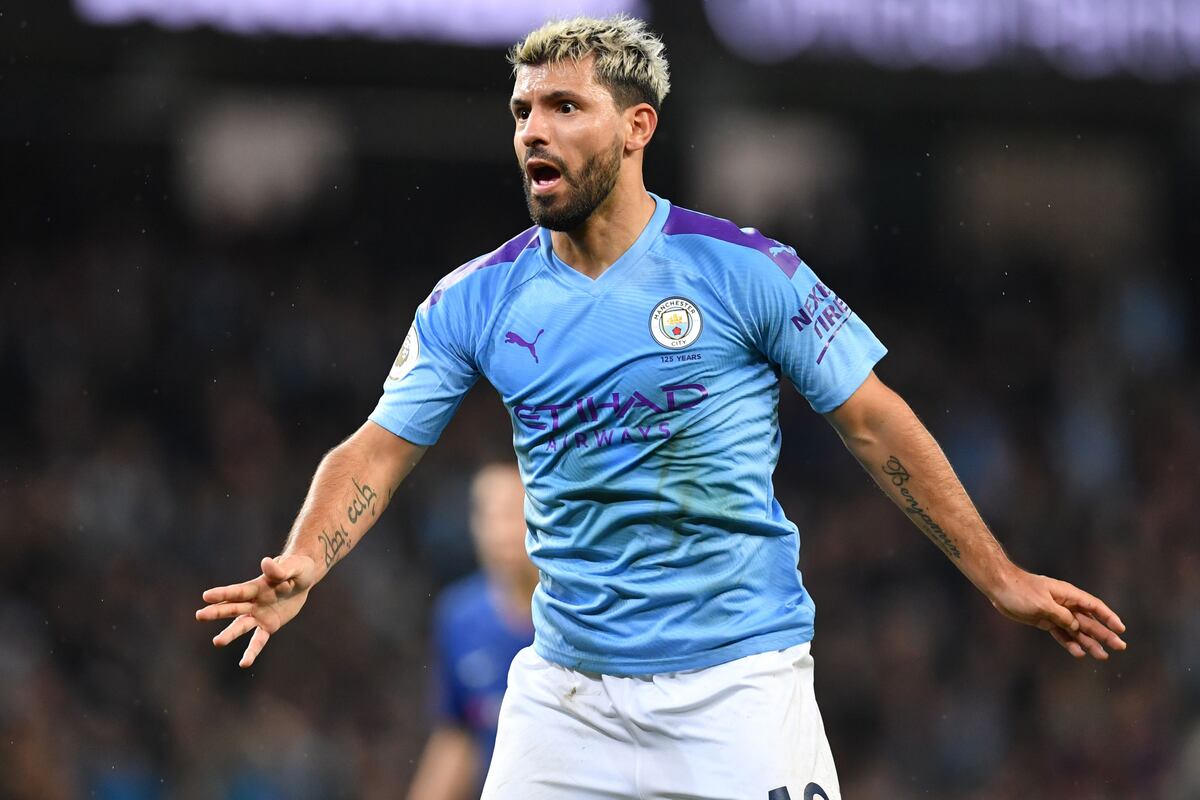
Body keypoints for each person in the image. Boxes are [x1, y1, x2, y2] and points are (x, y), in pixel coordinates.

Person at [197, 15, 1127, 799]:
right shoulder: (474, 299)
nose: (533, 131)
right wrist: (309, 557)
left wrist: (998, 577)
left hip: (738, 689)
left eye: (565, 107)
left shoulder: (745, 271)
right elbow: (375, 450)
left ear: (637, 126)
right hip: (568, 698)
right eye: (522, 111)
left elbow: (873, 421)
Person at [407, 462, 536, 800]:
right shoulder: (459, 618)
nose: (499, 531)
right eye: (486, 514)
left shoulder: (582, 611)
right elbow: (457, 736)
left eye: (512, 512)